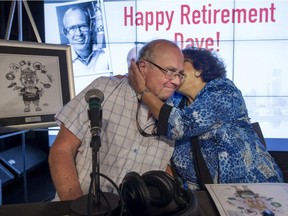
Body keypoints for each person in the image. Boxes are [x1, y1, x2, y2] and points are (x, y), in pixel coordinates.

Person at [128, 46, 284, 190]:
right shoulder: (177, 102)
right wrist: (126, 81)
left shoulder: (223, 90)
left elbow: (179, 125)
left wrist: (143, 90)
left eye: (182, 64)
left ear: (199, 69)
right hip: (206, 197)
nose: (176, 70)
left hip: (255, 191)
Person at [48, 39, 185, 201]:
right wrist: (75, 207)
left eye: (180, 74)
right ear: (143, 67)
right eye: (169, 72)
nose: (176, 81)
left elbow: (166, 169)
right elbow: (62, 150)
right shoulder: (104, 90)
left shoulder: (174, 117)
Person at [62, 7, 110, 93]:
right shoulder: (63, 62)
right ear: (66, 33)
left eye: (82, 26)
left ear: (90, 27)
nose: (78, 33)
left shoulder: (107, 54)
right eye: (72, 28)